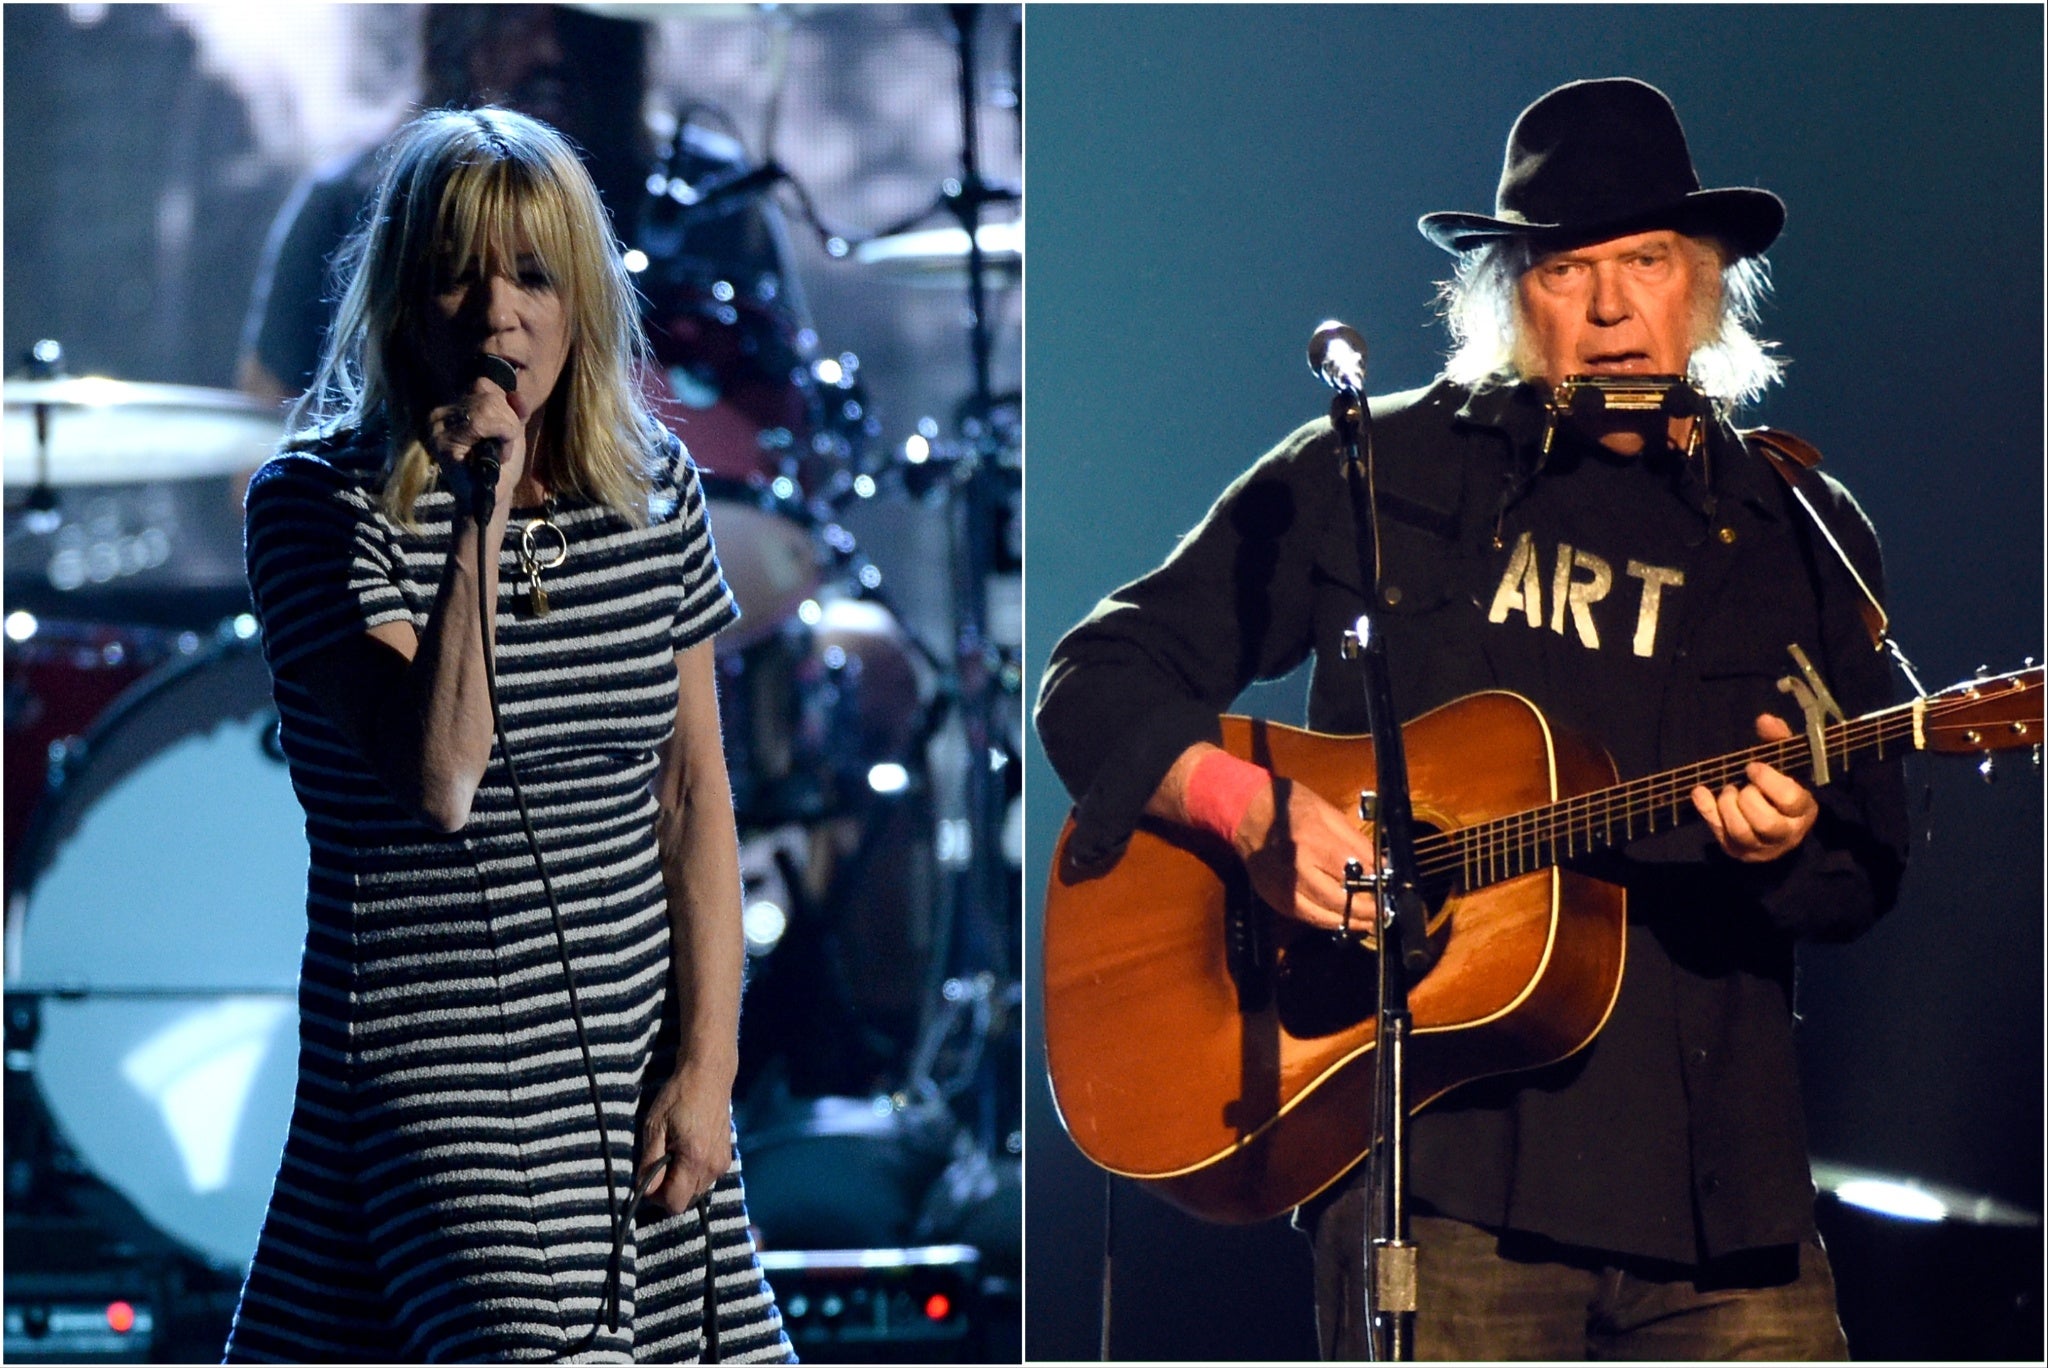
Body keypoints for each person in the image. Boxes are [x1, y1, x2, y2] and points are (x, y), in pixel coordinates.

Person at [1036, 77, 1908, 1360]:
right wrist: (1252, 812)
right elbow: (1096, 678)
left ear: (1705, 284)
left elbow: (1870, 859)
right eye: (1569, 270)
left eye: (1647, 263)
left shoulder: (1800, 531)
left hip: (1725, 1216)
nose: (1612, 310)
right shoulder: (1379, 471)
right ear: (1510, 291)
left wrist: (1783, 851)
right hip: (1439, 1203)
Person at [224, 107, 791, 1362]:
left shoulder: (651, 494)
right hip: (445, 1060)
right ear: (402, 299)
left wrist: (706, 1069)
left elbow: (693, 796)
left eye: (533, 275)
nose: (498, 313)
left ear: (581, 297)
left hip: (634, 1052)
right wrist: (471, 516)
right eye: (459, 274)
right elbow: (440, 779)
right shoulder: (316, 507)